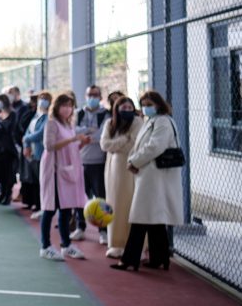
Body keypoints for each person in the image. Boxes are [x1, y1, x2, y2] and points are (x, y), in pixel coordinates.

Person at [112, 91, 183, 272]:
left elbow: (154, 147)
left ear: (158, 104)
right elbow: (141, 146)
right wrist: (133, 160)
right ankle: (159, 258)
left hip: (155, 177)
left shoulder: (163, 122)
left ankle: (129, 260)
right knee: (154, 219)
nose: (146, 107)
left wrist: (134, 161)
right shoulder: (151, 121)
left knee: (140, 217)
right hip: (149, 174)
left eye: (149, 103)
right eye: (143, 103)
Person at [38, 94, 89, 261]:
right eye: (64, 105)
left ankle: (66, 245)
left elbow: (71, 148)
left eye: (70, 106)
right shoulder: (52, 123)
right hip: (53, 170)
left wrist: (81, 142)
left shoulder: (69, 124)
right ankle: (45, 246)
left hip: (67, 171)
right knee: (49, 209)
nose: (67, 109)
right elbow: (49, 145)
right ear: (57, 107)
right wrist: (73, 139)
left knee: (66, 209)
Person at [100, 96, 142, 259]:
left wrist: (116, 145)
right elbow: (104, 145)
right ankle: (116, 243)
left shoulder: (138, 122)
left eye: (129, 108)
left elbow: (134, 145)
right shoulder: (110, 123)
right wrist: (124, 139)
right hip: (113, 170)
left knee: (130, 205)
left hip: (131, 168)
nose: (126, 111)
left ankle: (133, 245)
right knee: (115, 204)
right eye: (123, 108)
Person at [73, 84, 109, 244]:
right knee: (79, 196)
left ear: (100, 97)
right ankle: (80, 227)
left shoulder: (106, 115)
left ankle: (103, 231)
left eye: (95, 95)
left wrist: (85, 134)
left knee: (101, 197)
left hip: (98, 162)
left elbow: (102, 135)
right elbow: (74, 131)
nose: (92, 98)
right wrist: (89, 130)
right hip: (80, 161)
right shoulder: (78, 113)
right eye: (89, 95)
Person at [21, 92, 51, 218]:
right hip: (31, 154)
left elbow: (40, 134)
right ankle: (37, 205)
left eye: (46, 99)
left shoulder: (48, 117)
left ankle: (43, 207)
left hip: (41, 153)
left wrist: (26, 140)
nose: (42, 101)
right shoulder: (36, 116)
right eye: (41, 99)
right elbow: (27, 132)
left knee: (42, 182)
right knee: (34, 181)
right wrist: (26, 145)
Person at [0, 96, 18, 205]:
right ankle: (1, 193)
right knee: (0, 172)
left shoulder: (13, 114)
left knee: (9, 173)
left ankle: (7, 194)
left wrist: (0, 122)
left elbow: (10, 129)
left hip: (9, 148)